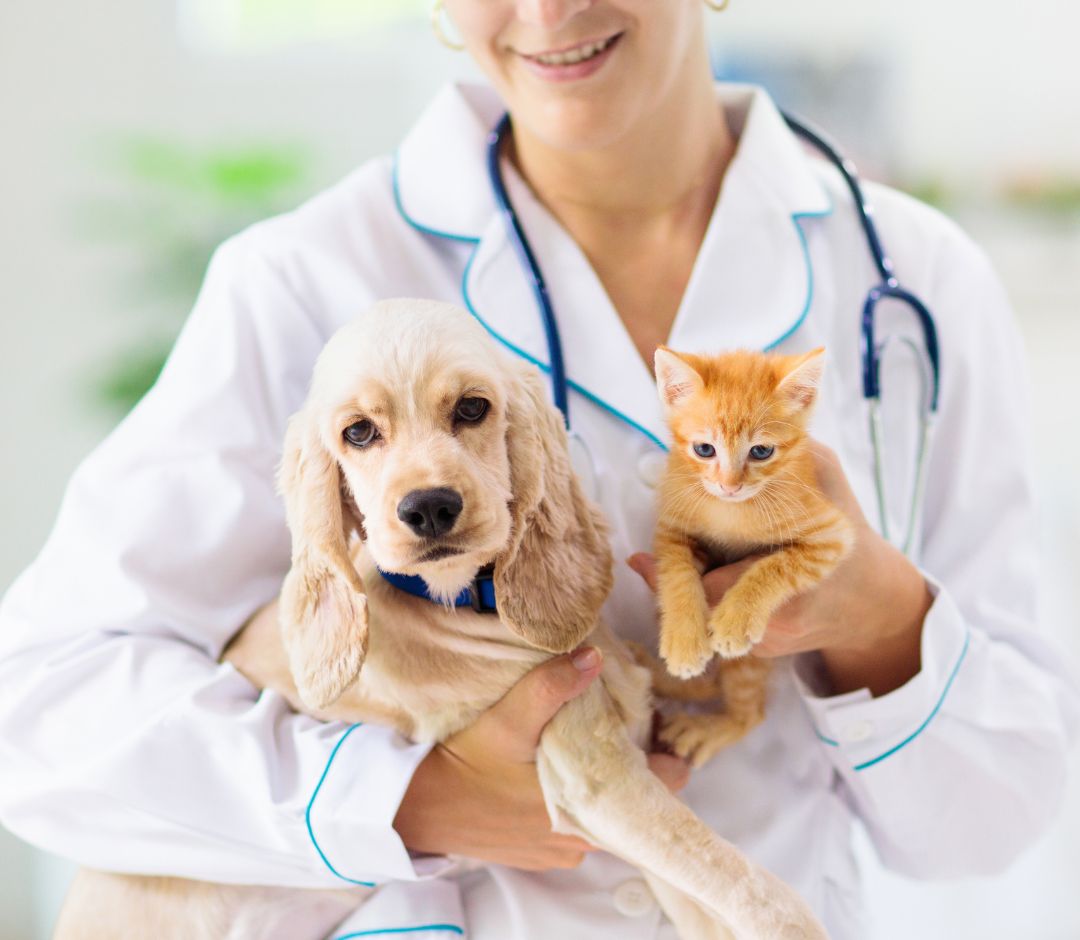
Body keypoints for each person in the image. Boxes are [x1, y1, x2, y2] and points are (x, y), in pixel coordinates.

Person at [0, 1, 1077, 937]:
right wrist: (409, 799)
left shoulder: (917, 280)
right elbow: (42, 710)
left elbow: (994, 817)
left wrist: (882, 616)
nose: (548, 8)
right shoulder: (302, 282)